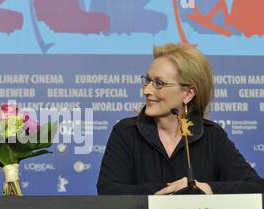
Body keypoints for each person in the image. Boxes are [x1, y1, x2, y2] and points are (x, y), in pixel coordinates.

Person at [97, 42, 263, 195]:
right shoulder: (126, 132)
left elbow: (255, 187)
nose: (146, 90)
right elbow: (109, 190)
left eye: (159, 83)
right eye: (147, 80)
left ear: (188, 93)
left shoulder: (212, 136)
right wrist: (174, 191)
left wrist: (206, 188)